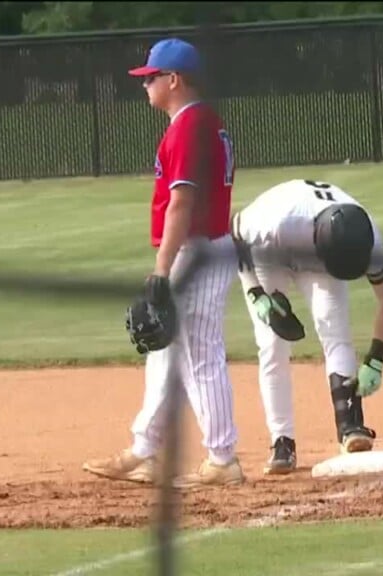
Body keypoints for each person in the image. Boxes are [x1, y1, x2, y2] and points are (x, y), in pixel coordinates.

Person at [82, 38, 246, 488]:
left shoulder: (190, 127)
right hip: (201, 248)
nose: (146, 84)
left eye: (151, 77)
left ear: (174, 80)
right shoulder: (202, 122)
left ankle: (222, 458)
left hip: (199, 251)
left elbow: (182, 204)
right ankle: (145, 451)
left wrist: (161, 268)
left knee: (199, 353)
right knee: (164, 350)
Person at [231, 178, 383, 475]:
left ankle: (350, 426)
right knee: (271, 343)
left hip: (323, 254)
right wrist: (256, 294)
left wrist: (376, 358)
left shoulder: (367, 239)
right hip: (272, 254)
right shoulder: (274, 221)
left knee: (334, 329)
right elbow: (235, 232)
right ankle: (282, 441)